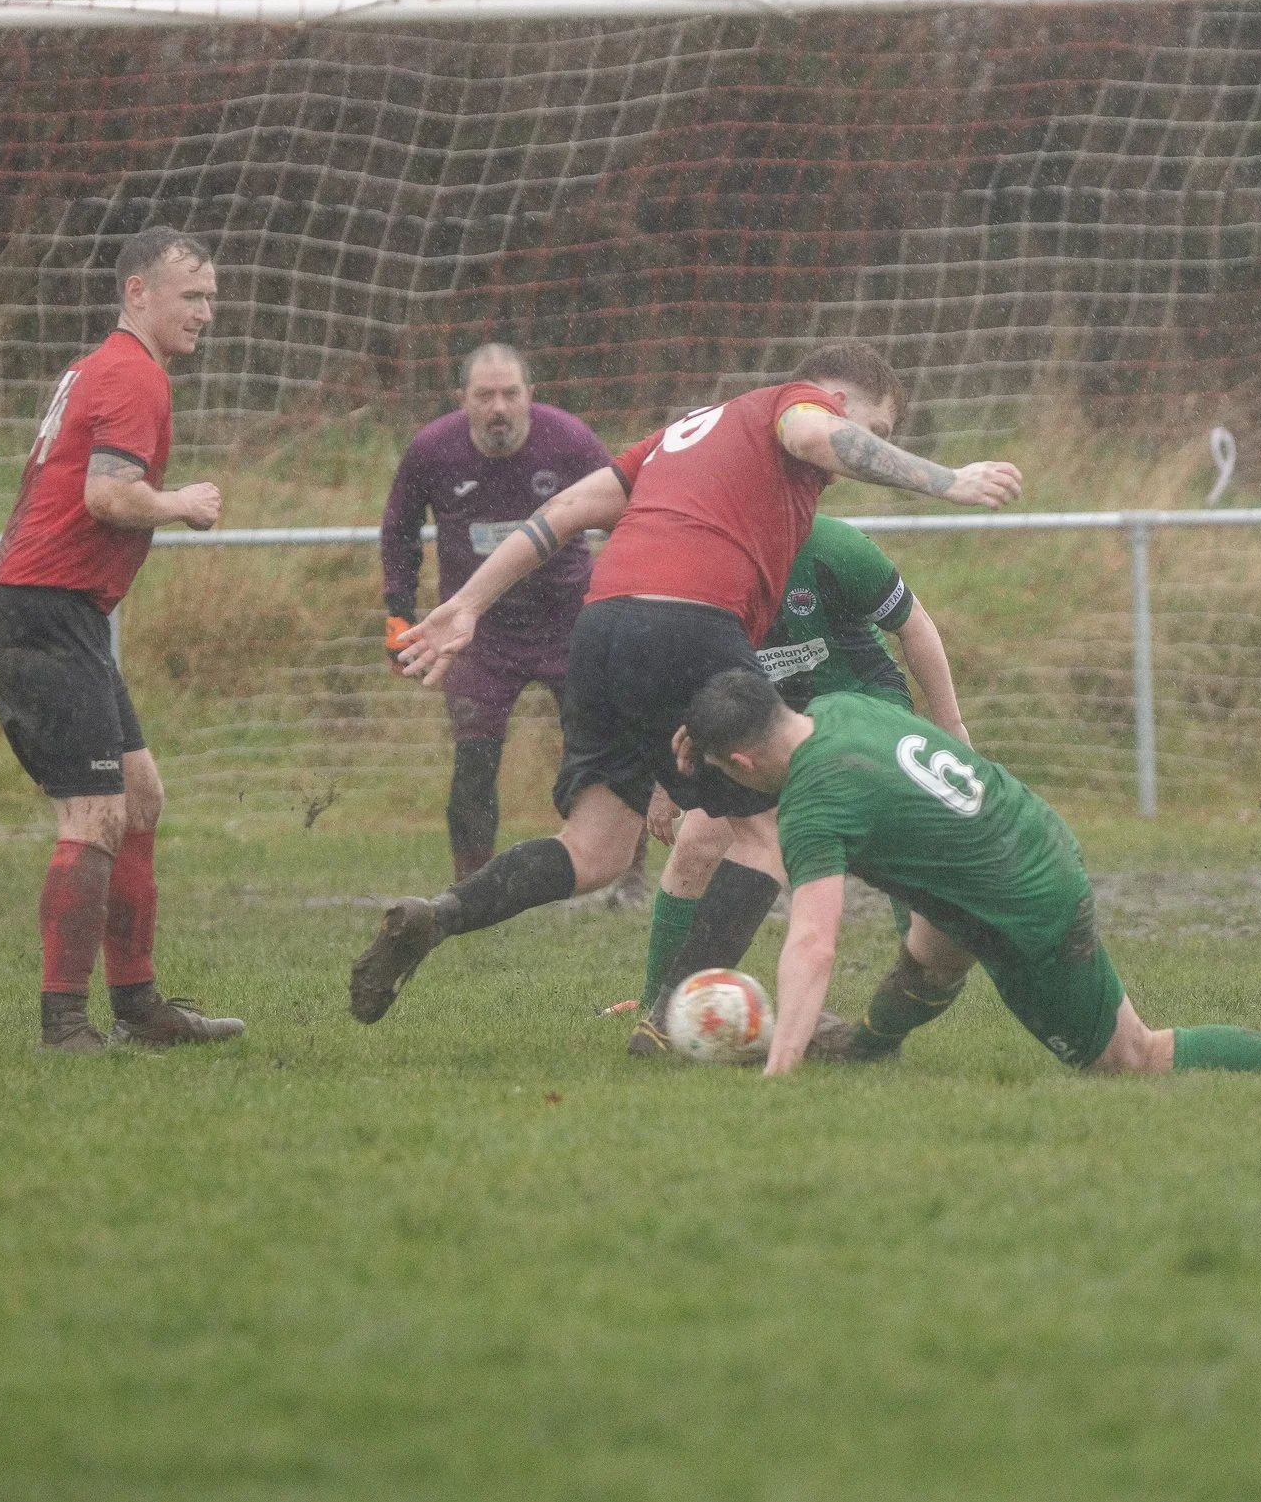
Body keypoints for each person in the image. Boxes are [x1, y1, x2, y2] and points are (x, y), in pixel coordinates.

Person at [347, 339, 1023, 1026]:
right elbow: (817, 433)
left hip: (602, 628)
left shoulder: (680, 437)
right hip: (691, 621)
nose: (862, 448)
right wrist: (947, 480)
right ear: (841, 401)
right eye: (874, 431)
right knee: (767, 837)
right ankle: (674, 1020)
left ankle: (439, 915)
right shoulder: (792, 409)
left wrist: (469, 603)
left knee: (597, 849)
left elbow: (568, 511)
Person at [677, 670, 1261, 1075]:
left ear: (742, 763)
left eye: (728, 774)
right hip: (1027, 836)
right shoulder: (842, 708)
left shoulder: (813, 801)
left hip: (1028, 905)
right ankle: (866, 1052)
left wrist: (777, 1072)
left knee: (1132, 1060)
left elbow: (812, 943)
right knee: (936, 944)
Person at [0, 225, 246, 1053]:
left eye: (211, 297)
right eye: (191, 296)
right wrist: (182, 502)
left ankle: (140, 1007)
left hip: (61, 613)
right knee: (94, 813)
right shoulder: (133, 374)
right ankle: (65, 1026)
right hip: (42, 613)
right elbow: (107, 497)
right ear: (138, 293)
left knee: (141, 797)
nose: (207, 312)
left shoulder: (104, 366)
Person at [628, 515, 968, 1053]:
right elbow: (682, 670)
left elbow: (915, 625)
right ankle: (660, 1013)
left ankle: (919, 988)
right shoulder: (701, 557)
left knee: (889, 838)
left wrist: (951, 728)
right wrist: (669, 779)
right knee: (698, 843)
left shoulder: (835, 547)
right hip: (763, 719)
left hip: (860, 707)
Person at [379, 343, 616, 883]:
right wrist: (398, 611)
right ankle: (472, 887)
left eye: (511, 393)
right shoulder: (432, 450)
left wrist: (629, 604)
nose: (499, 408)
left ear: (532, 396)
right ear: (461, 400)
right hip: (478, 632)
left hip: (569, 622)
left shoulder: (571, 440)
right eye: (485, 395)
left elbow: (629, 514)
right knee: (474, 761)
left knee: (601, 745)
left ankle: (619, 875)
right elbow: (399, 530)